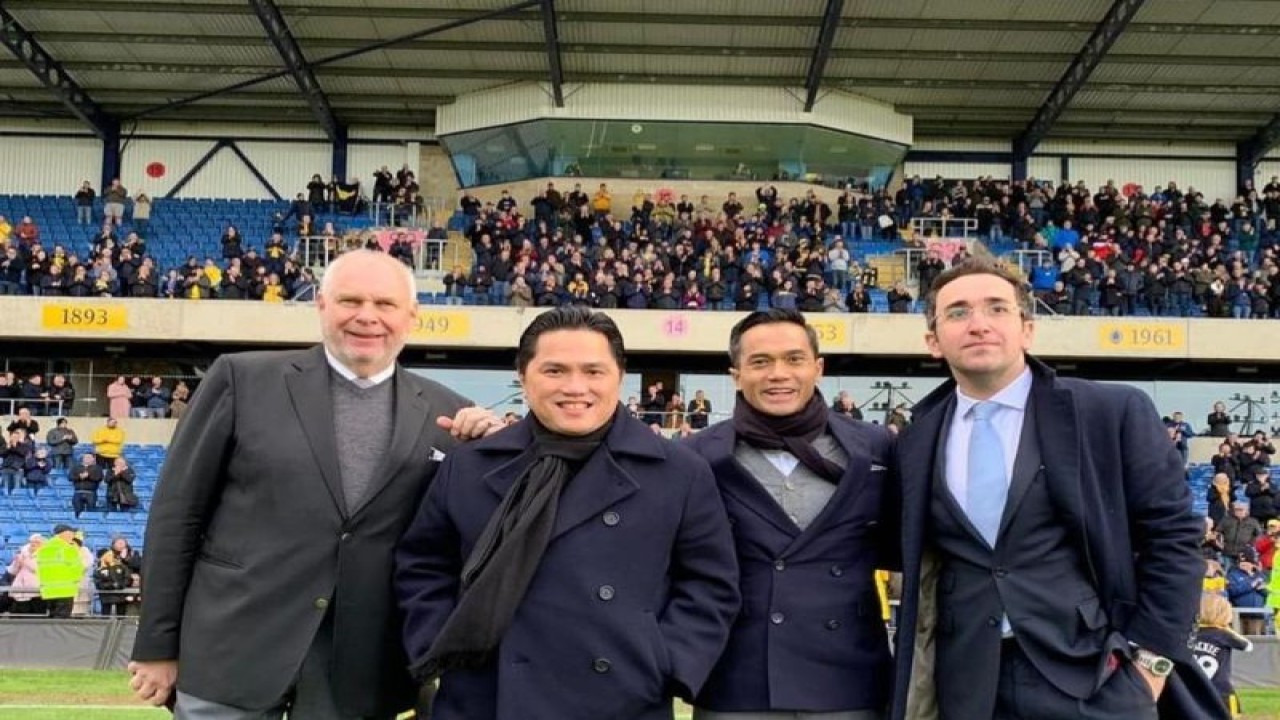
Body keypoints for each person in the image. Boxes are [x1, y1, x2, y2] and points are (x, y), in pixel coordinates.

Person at [128, 250, 502, 719]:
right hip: (230, 655)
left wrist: (493, 453)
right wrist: (156, 644)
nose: (367, 317)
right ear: (322, 305)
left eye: (385, 304)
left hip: (361, 674)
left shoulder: (450, 415)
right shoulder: (241, 380)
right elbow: (176, 518)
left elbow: (458, 542)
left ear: (412, 316)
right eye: (350, 301)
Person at [889, 259, 1223, 720]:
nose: (979, 324)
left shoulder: (1111, 412)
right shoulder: (915, 438)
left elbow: (1172, 538)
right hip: (965, 683)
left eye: (997, 309)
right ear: (933, 341)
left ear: (1027, 329)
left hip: (1096, 677)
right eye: (958, 312)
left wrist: (1151, 662)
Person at [395, 307, 740, 720]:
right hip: (485, 697)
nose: (575, 387)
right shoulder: (470, 465)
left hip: (625, 699)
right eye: (554, 371)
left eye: (593, 371)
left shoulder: (679, 471)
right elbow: (423, 565)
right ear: (523, 377)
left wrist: (666, 664)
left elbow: (711, 584)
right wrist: (438, 642)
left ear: (619, 375)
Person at [685, 309, 899, 719]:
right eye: (760, 362)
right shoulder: (694, 456)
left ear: (818, 368)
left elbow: (901, 549)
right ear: (736, 375)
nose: (777, 374)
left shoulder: (876, 448)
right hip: (736, 683)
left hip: (849, 681)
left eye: (793, 359)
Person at [1193, 593, 1251, 719]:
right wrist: (1228, 630)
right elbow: (1248, 646)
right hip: (1221, 689)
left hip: (1193, 687)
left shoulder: (1191, 633)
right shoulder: (1223, 634)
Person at [35, 523, 83, 619]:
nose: (73, 535)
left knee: (52, 618)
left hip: (49, 591)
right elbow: (77, 570)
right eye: (71, 533)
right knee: (62, 622)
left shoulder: (44, 548)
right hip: (65, 590)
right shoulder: (68, 549)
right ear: (64, 533)